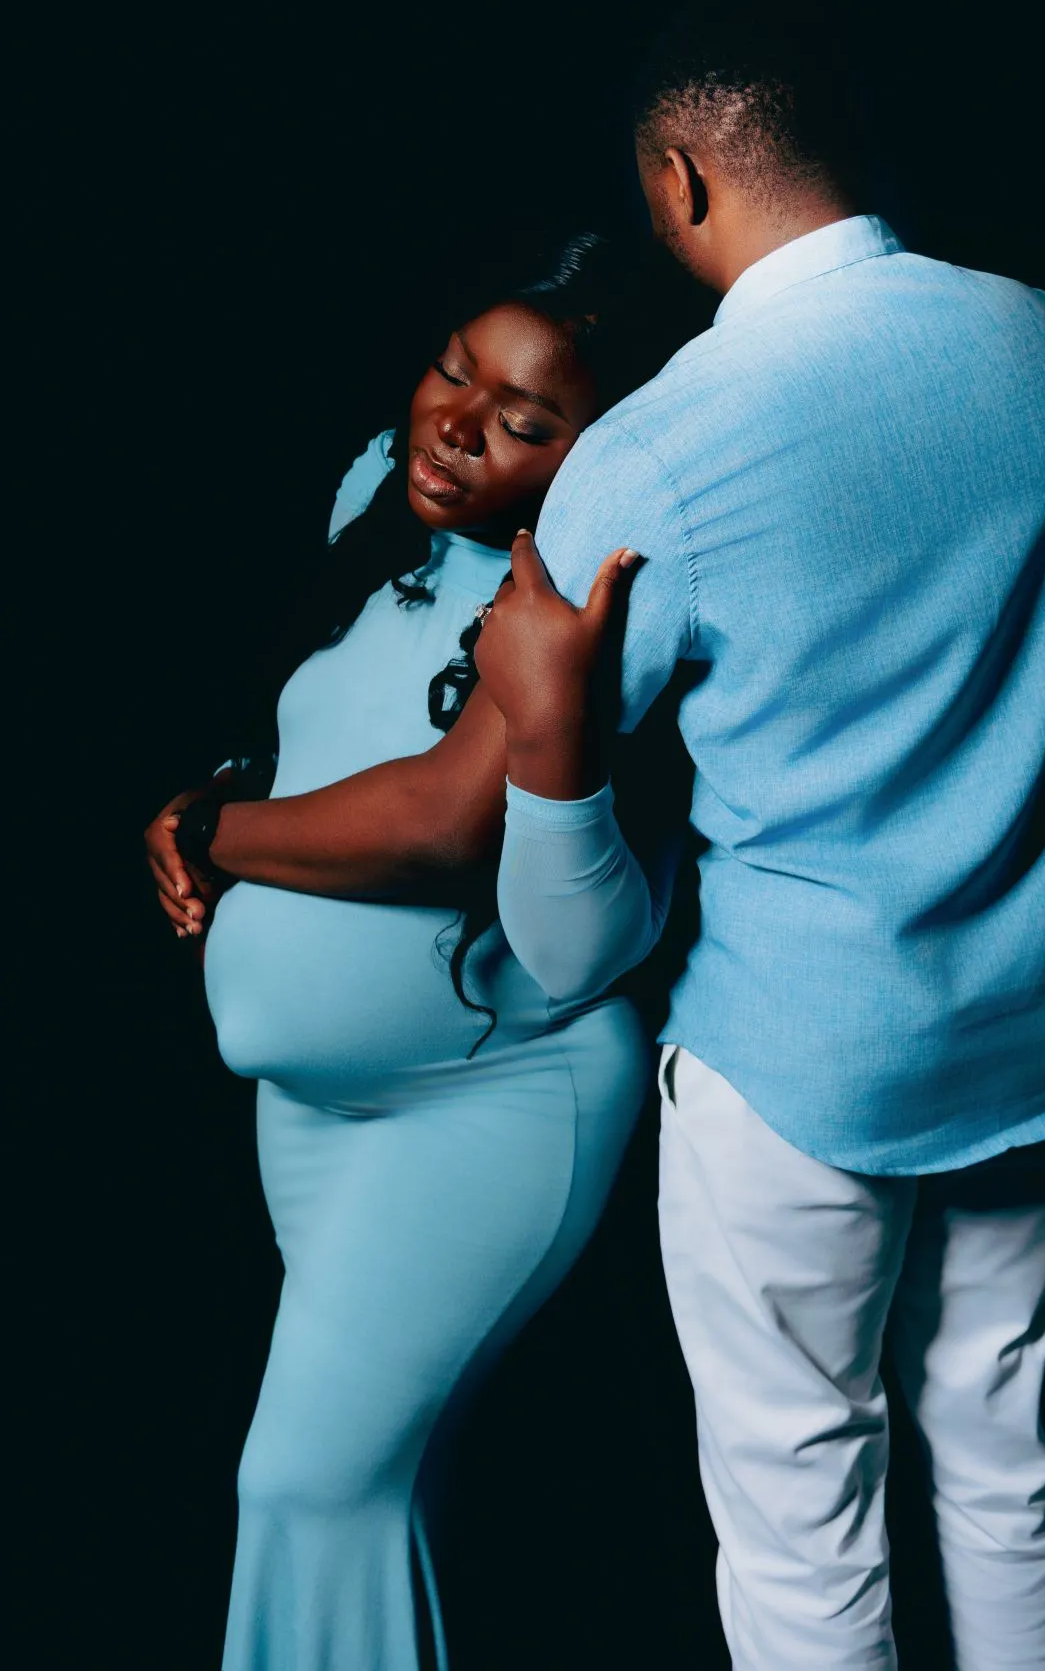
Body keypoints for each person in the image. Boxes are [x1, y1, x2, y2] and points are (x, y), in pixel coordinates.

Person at [475, 0, 1045, 1670]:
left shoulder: (656, 446)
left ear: (684, 180)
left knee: (800, 1526)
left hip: (803, 1068)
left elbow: (548, 881)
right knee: (1009, 1474)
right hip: (1043, 1025)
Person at [143, 233, 691, 1671]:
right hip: (312, 1115)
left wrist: (214, 832)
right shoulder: (369, 505)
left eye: (520, 422)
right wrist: (215, 789)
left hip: (486, 1102)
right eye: (451, 372)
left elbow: (446, 826)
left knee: (306, 1483)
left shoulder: (576, 596)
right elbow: (330, 731)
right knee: (380, 1489)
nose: (452, 426)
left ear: (598, 455)